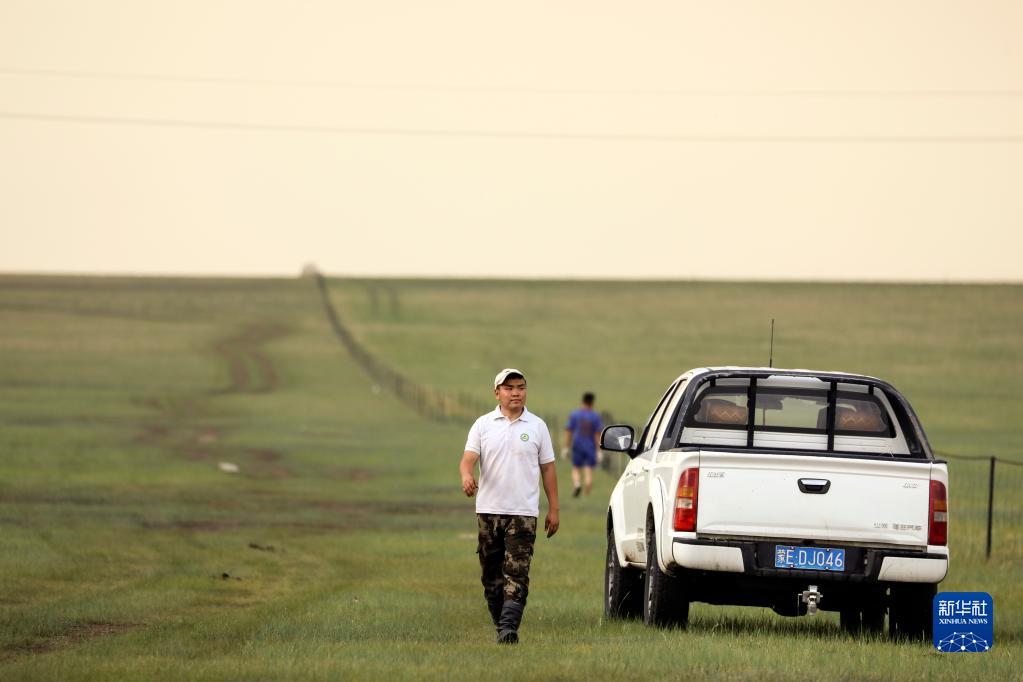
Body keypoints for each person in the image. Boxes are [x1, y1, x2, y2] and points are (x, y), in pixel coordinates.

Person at [459, 368, 560, 644]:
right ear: (497, 393)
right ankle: (500, 624)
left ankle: (508, 627)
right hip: (489, 510)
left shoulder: (537, 426)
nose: (515, 392)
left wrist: (554, 508)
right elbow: (468, 458)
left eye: (520, 387)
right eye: (509, 387)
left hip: (523, 513)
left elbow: (548, 469)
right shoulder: (483, 424)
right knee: (491, 574)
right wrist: (467, 475)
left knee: (517, 571)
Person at [563, 392, 602, 497]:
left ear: (582, 401)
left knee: (576, 467)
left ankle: (577, 484)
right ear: (592, 402)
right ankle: (586, 493)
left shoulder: (575, 414)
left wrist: (566, 447)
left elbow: (569, 431)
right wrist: (599, 451)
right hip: (590, 446)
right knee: (588, 469)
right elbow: (597, 434)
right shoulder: (595, 416)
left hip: (577, 444)